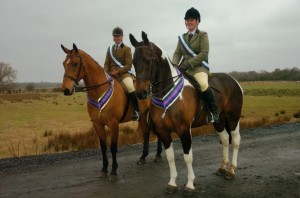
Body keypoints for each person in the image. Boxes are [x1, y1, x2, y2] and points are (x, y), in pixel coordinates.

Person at [172, 7, 220, 124]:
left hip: (199, 68)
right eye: (187, 20)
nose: (189, 22)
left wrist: (188, 63)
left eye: (192, 20)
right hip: (184, 69)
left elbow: (204, 53)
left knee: (203, 84)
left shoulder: (203, 35)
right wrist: (174, 64)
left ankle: (214, 113)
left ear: (197, 22)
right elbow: (177, 53)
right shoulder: (182, 38)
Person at [103, 26, 140, 121]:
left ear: (122, 37)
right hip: (111, 74)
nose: (116, 38)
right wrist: (105, 72)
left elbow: (128, 65)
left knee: (130, 87)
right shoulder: (110, 49)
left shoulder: (127, 49)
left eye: (118, 36)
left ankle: (136, 110)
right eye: (115, 36)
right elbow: (106, 63)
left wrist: (117, 71)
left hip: (123, 74)